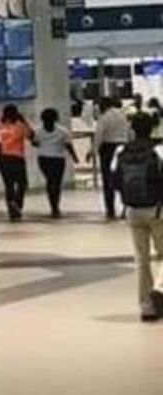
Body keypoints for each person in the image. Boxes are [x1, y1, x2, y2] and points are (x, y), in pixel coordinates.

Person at [109, 113, 163, 321]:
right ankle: (159, 288)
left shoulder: (121, 150)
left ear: (132, 129)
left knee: (141, 259)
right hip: (157, 210)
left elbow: (114, 180)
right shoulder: (158, 150)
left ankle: (146, 307)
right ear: (152, 129)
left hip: (132, 210)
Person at [32, 108, 79, 219]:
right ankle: (55, 205)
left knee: (50, 181)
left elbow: (35, 143)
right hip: (58, 160)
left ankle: (53, 204)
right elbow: (68, 145)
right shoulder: (62, 131)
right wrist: (75, 157)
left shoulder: (38, 131)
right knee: (56, 182)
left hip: (44, 159)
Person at [91, 98, 130, 219]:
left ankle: (110, 210)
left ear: (104, 105)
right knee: (124, 178)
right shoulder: (124, 115)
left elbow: (99, 135)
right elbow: (130, 132)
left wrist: (93, 150)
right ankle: (125, 208)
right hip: (123, 147)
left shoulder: (104, 117)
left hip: (108, 149)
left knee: (108, 180)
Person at [0, 104, 34, 221]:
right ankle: (17, 204)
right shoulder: (19, 125)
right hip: (17, 158)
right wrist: (24, 121)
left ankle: (11, 207)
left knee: (9, 185)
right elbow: (31, 136)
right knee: (22, 184)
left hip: (3, 158)